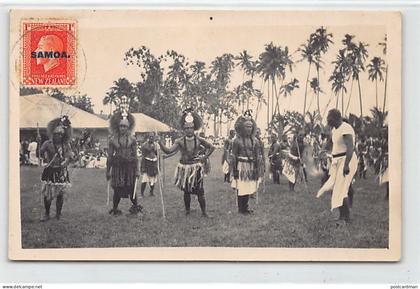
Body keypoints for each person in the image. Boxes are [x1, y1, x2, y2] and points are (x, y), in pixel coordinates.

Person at [158, 108, 215, 217]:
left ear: (194, 128)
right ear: (184, 129)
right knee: (187, 191)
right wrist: (160, 143)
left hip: (196, 168)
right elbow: (169, 150)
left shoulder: (199, 139)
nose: (189, 130)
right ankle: (187, 210)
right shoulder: (179, 141)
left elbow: (211, 147)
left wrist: (204, 157)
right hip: (185, 168)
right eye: (187, 128)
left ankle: (204, 212)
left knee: (200, 191)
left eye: (191, 128)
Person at [316, 109, 358, 224]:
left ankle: (346, 218)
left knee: (341, 189)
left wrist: (346, 165)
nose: (328, 121)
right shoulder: (336, 130)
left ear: (335, 118)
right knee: (336, 188)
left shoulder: (346, 128)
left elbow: (350, 147)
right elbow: (330, 142)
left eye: (329, 119)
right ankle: (342, 216)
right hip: (337, 161)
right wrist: (323, 150)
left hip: (346, 160)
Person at [106, 107, 141, 216]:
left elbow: (135, 156)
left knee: (131, 189)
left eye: (125, 126)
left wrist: (137, 170)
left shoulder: (133, 140)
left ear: (128, 127)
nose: (123, 128)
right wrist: (108, 171)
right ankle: (115, 209)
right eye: (121, 126)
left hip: (130, 168)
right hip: (118, 168)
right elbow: (110, 157)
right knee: (117, 189)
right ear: (118, 126)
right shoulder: (113, 140)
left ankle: (135, 208)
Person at [39, 116, 73, 221]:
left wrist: (66, 162)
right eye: (56, 134)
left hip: (61, 171)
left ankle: (58, 214)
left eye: (61, 134)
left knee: (60, 193)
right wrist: (38, 143)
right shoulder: (47, 144)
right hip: (50, 170)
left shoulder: (66, 145)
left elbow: (69, 157)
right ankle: (47, 214)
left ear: (63, 135)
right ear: (53, 134)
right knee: (48, 193)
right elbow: (39, 154)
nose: (58, 136)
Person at [231, 110, 262, 214]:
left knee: (248, 187)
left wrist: (257, 168)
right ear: (242, 128)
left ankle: (246, 207)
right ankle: (241, 209)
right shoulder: (237, 140)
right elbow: (234, 156)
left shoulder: (255, 141)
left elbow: (257, 156)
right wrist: (234, 170)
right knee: (242, 187)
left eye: (250, 126)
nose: (249, 128)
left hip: (251, 166)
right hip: (241, 166)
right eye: (246, 126)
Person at [140, 132, 159, 197]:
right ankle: (142, 193)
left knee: (153, 179)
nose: (151, 138)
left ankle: (151, 192)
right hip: (147, 163)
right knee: (145, 179)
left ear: (154, 137)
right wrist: (142, 167)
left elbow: (157, 154)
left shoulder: (156, 145)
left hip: (154, 163)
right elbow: (143, 156)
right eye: (150, 136)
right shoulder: (144, 145)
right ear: (148, 137)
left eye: (152, 136)